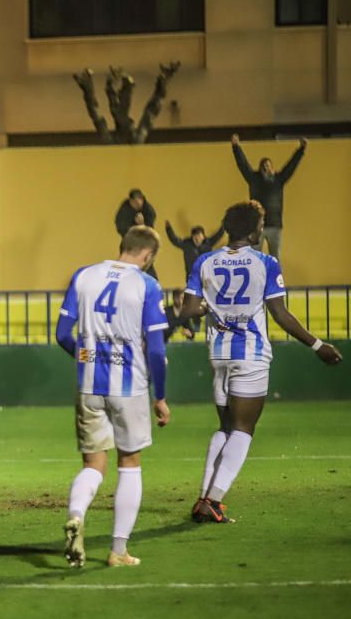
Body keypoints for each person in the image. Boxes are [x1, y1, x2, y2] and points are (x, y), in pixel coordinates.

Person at [180, 200, 341, 524]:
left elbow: (189, 310)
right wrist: (318, 345)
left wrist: (212, 309)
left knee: (226, 427)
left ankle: (204, 499)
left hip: (219, 353)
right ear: (254, 230)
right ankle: (213, 500)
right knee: (243, 430)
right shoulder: (265, 262)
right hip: (250, 353)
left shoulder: (205, 262)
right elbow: (280, 314)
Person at [55, 225, 171, 568]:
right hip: (129, 388)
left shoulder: (84, 275)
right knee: (129, 464)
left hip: (89, 384)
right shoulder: (147, 284)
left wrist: (87, 356)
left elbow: (63, 334)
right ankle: (118, 550)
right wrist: (160, 396)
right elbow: (157, 349)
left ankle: (76, 515)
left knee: (94, 464)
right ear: (148, 256)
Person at [230, 134, 306, 260]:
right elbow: (243, 164)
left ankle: (275, 280)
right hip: (257, 225)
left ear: (272, 168)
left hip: (275, 225)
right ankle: (257, 279)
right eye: (264, 166)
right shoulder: (254, 179)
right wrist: (235, 147)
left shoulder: (279, 180)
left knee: (275, 259)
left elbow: (291, 166)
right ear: (260, 168)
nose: (266, 168)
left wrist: (301, 149)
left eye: (268, 166)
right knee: (255, 259)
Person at [114, 189, 158, 280]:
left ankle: (153, 283)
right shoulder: (124, 211)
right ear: (131, 201)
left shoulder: (147, 210)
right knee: (126, 264)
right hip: (129, 243)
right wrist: (135, 228)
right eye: (136, 204)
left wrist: (142, 225)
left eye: (140, 202)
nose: (139, 205)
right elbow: (120, 227)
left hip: (144, 243)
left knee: (147, 266)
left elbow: (150, 228)